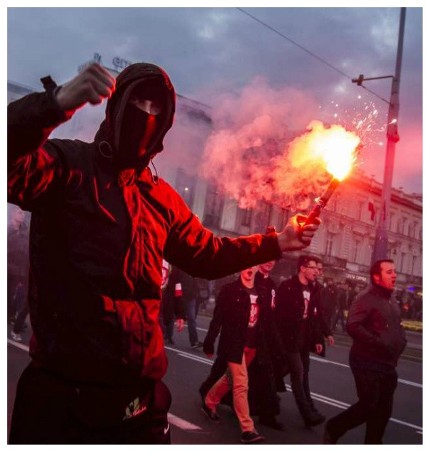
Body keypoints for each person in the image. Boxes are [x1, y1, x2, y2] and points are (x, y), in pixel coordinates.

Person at [7, 62, 319, 444]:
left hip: (139, 398)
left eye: (158, 110)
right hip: (63, 398)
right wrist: (55, 104)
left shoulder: (161, 198)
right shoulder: (66, 167)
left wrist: (275, 242)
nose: (147, 116)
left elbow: (208, 254)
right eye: (137, 103)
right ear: (115, 106)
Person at [324, 260, 406, 444]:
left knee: (384, 410)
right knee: (369, 404)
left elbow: (397, 325)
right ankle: (334, 427)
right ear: (376, 277)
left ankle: (373, 443)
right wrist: (378, 343)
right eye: (389, 272)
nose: (394, 275)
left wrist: (401, 342)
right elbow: (353, 325)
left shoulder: (391, 299)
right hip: (366, 360)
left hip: (387, 363)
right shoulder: (366, 298)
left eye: (395, 271)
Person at [202, 266, 282, 443]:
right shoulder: (230, 290)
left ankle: (209, 401)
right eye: (246, 265)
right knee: (241, 384)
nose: (249, 269)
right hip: (233, 345)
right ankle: (247, 429)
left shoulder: (261, 292)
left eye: (253, 265)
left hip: (253, 346)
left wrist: (275, 345)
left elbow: (267, 321)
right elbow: (218, 318)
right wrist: (209, 342)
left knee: (229, 378)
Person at [274, 255, 332, 428]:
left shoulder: (314, 290)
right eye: (313, 267)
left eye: (317, 268)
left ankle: (264, 394)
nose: (316, 271)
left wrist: (319, 338)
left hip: (304, 341)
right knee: (298, 374)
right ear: (302, 268)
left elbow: (314, 317)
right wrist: (279, 339)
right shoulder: (288, 287)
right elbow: (279, 316)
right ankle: (307, 414)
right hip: (288, 339)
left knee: (293, 374)